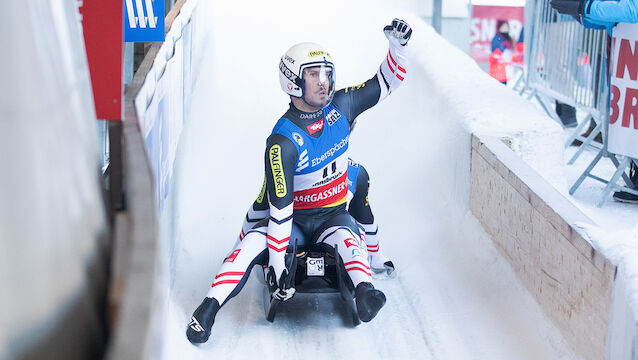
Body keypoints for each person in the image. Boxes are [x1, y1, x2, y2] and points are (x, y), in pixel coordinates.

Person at [186, 18, 412, 344]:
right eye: (313, 75)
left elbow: (385, 83)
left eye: (327, 74)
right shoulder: (282, 142)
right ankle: (206, 310)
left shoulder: (343, 105)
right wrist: (277, 265)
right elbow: (279, 209)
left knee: (350, 240)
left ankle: (365, 293)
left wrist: (398, 49)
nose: (324, 83)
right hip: (292, 223)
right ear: (293, 81)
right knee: (251, 244)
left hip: (331, 217)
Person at [236, 158, 396, 278]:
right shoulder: (283, 163)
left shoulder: (356, 172)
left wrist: (375, 254)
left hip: (331, 230)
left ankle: (358, 269)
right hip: (293, 232)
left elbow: (363, 214)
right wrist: (239, 249)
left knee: (351, 232)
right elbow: (261, 206)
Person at [552, 0, 638, 203]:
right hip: (625, 54)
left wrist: (584, 7)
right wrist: (579, 13)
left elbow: (632, 10)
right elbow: (607, 20)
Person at [489, 20, 514, 84]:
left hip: (505, 71)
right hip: (498, 72)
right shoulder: (497, 39)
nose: (505, 29)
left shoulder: (508, 38)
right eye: (503, 27)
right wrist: (499, 53)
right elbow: (494, 56)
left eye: (507, 27)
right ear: (499, 27)